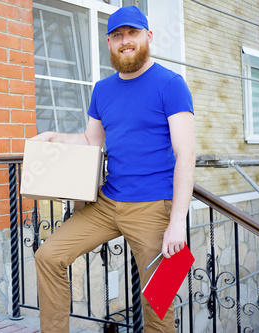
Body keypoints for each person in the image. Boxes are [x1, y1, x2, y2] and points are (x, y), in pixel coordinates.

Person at [32, 6, 195, 333]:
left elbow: (186, 153)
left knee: (158, 305)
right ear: (109, 43)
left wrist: (177, 222)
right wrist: (54, 136)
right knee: (48, 256)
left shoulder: (171, 84)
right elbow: (91, 140)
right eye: (117, 36)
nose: (125, 41)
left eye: (132, 33)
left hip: (154, 207)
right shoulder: (102, 89)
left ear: (148, 36)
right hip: (107, 203)